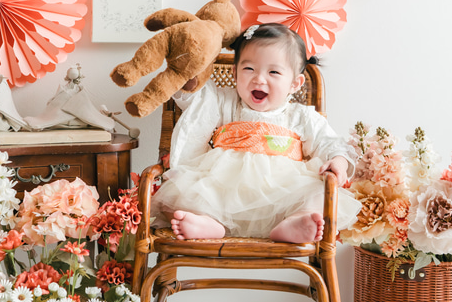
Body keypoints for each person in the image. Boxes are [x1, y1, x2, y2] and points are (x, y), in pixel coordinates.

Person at [150, 23, 361, 243]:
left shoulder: (300, 116)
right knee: (178, 195)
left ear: (295, 83)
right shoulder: (225, 102)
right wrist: (189, 80)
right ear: (234, 71)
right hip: (224, 189)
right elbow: (196, 102)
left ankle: (296, 222)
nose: (259, 79)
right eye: (249, 69)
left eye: (274, 72)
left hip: (282, 193)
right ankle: (210, 223)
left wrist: (338, 161)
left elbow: (329, 142)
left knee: (318, 195)